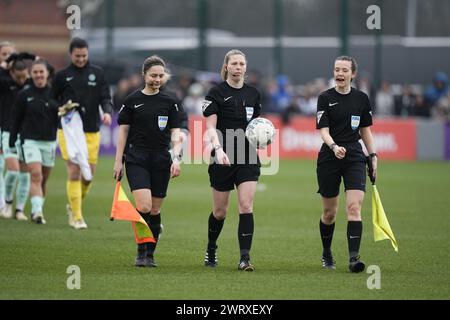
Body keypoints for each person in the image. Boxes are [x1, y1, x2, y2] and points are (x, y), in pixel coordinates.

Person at [113, 55, 181, 267]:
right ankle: (140, 251)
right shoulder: (132, 100)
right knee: (143, 206)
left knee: (155, 211)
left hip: (161, 158)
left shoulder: (170, 101)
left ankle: (150, 254)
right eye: (153, 75)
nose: (157, 79)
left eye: (161, 76)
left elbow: (176, 132)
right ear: (144, 75)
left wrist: (176, 158)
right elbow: (123, 132)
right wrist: (118, 161)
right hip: (137, 157)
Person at [315, 56, 377, 273]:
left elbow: (365, 131)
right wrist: (334, 147)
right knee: (329, 213)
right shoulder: (325, 98)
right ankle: (326, 252)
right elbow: (323, 131)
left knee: (354, 207)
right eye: (336, 70)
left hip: (354, 157)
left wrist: (373, 155)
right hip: (329, 157)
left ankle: (353, 259)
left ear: (353, 74)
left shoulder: (361, 99)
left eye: (344, 70)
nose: (339, 74)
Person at [202, 49, 262, 271]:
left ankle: (245, 258)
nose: (238, 67)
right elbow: (209, 127)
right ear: (226, 66)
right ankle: (211, 247)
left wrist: (263, 138)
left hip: (247, 156)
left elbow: (256, 126)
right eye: (234, 63)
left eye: (242, 64)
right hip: (222, 156)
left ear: (246, 67)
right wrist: (218, 149)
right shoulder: (215, 93)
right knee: (220, 211)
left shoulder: (254, 94)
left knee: (246, 205)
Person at [51, 37, 113, 229]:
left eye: (84, 55)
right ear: (71, 54)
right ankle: (77, 217)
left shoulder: (97, 73)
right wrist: (61, 108)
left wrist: (108, 112)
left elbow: (105, 97)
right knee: (74, 170)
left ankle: (73, 204)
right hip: (69, 131)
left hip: (91, 129)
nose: (80, 59)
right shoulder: (62, 76)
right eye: (77, 56)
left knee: (89, 176)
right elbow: (51, 100)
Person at [9, 59, 63, 224]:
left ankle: (36, 208)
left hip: (49, 142)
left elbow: (60, 120)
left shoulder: (55, 94)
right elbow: (16, 119)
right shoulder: (24, 95)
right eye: (35, 72)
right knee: (36, 175)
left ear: (47, 74)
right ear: (31, 75)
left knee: (43, 180)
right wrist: (12, 140)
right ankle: (37, 212)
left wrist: (64, 113)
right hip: (30, 141)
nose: (39, 75)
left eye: (41, 72)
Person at [0, 53, 35, 220]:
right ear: (12, 73)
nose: (21, 80)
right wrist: (5, 64)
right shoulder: (5, 84)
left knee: (25, 174)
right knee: (12, 171)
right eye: (18, 77)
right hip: (8, 132)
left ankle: (19, 209)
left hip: (26, 135)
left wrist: (34, 58)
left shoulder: (30, 85)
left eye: (24, 76)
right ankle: (7, 204)